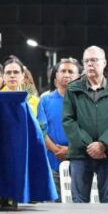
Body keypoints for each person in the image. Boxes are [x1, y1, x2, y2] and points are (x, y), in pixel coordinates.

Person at [62, 46, 108, 203]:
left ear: (104, 62)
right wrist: (89, 145)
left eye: (94, 60)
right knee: (79, 203)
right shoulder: (72, 89)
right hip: (80, 154)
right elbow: (68, 120)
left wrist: (103, 144)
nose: (90, 64)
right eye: (86, 61)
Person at [35, 58, 79, 194]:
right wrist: (56, 150)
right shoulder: (45, 100)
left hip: (78, 162)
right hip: (51, 162)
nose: (66, 74)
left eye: (71, 71)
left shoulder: (84, 101)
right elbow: (41, 130)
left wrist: (70, 150)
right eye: (63, 71)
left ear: (78, 77)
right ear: (56, 76)